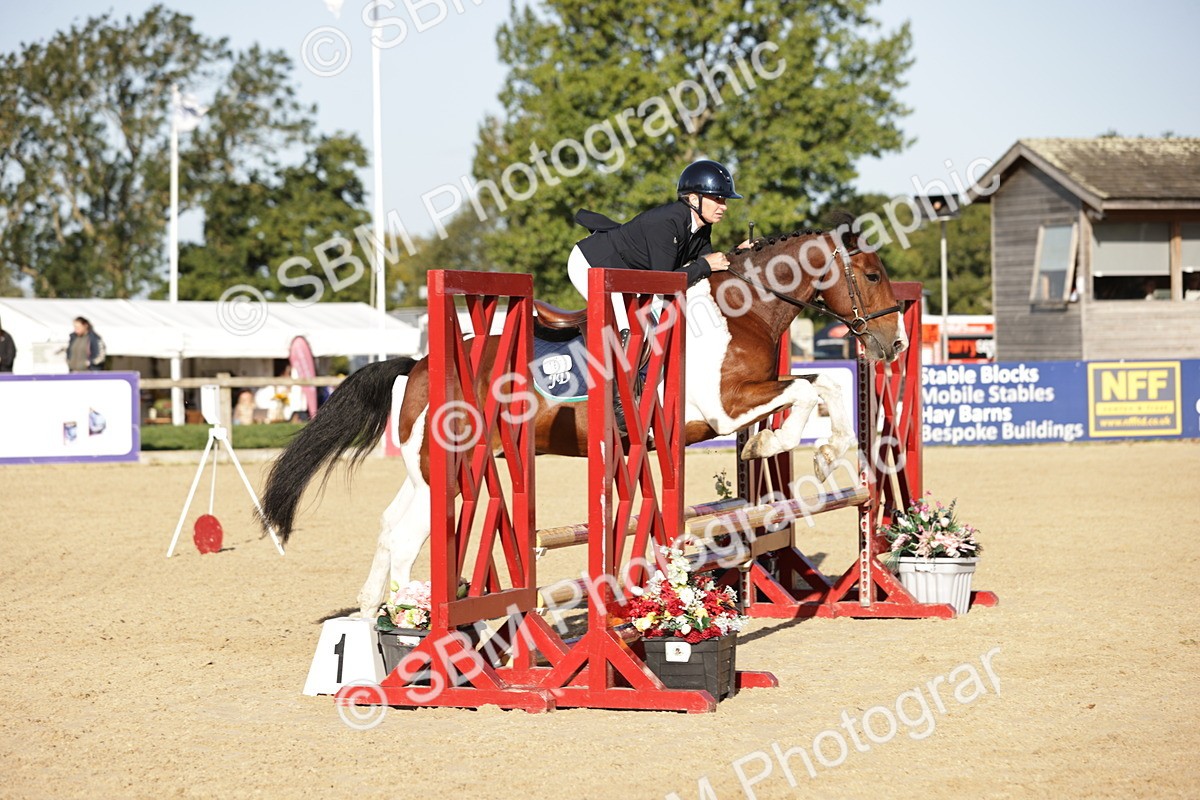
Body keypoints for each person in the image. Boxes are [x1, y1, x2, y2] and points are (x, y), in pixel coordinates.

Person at [567, 159, 746, 329]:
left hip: (623, 273)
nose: (724, 206)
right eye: (718, 199)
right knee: (629, 328)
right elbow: (663, 283)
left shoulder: (702, 226)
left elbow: (710, 264)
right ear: (693, 200)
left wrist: (739, 254)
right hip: (592, 262)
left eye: (724, 200)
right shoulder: (667, 223)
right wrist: (705, 265)